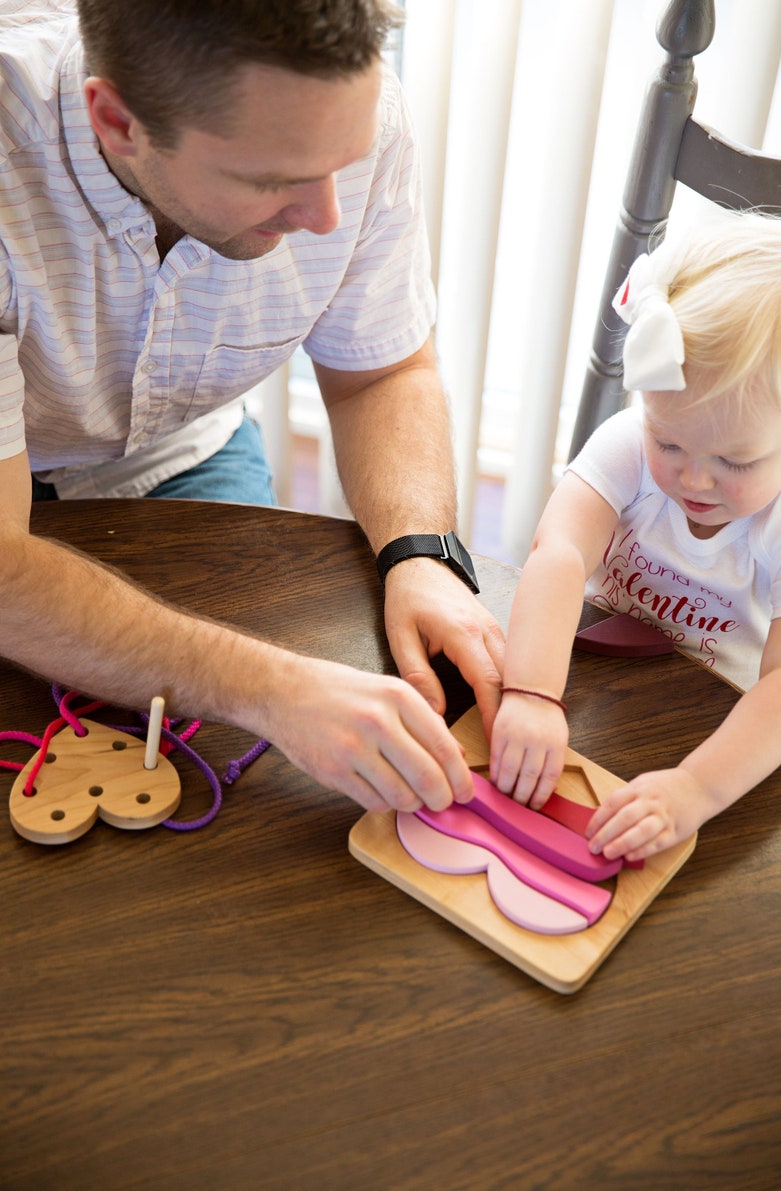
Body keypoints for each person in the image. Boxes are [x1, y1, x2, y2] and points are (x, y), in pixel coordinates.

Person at [0, 0, 505, 814]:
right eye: (272, 181)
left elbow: (381, 374)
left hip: (184, 450)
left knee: (245, 792)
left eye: (345, 160)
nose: (327, 216)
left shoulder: (337, 119)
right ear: (118, 121)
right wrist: (274, 688)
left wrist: (424, 554)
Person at [489, 212, 781, 861]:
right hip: (585, 676)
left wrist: (696, 788)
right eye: (669, 441)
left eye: (736, 462)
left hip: (715, 725)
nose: (695, 477)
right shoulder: (628, 443)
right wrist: (533, 690)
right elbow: (560, 552)